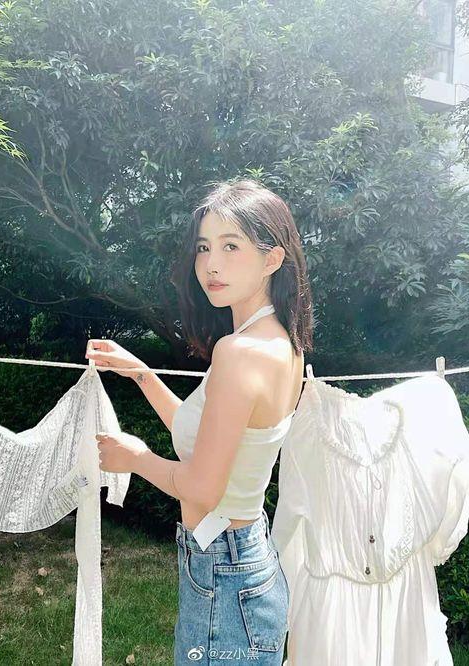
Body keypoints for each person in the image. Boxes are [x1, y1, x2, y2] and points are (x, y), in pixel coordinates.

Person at [85, 178, 314, 664]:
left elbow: (202, 488)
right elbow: (203, 439)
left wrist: (135, 458)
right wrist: (142, 375)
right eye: (204, 247)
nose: (211, 263)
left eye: (231, 246)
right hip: (241, 562)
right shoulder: (279, 341)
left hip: (225, 576)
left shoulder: (240, 351)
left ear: (272, 259)